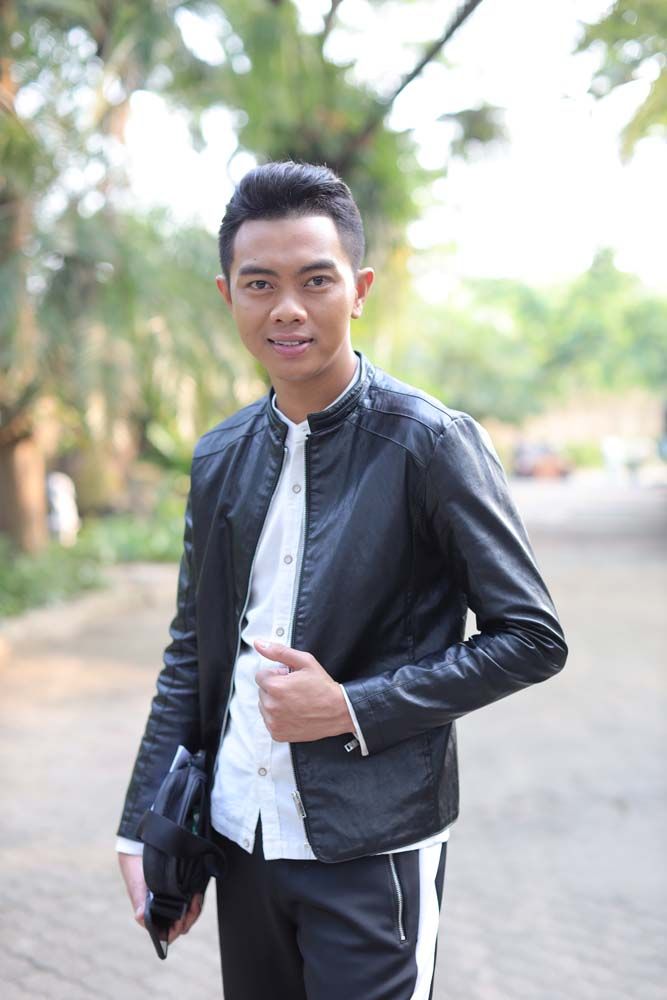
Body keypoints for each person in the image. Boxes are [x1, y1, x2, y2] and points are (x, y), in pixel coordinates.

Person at [117, 161, 568, 999]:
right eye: (260, 283)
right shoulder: (219, 457)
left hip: (372, 845)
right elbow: (192, 650)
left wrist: (353, 707)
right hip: (240, 835)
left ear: (357, 290)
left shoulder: (429, 444)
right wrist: (143, 823)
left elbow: (532, 638)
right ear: (228, 296)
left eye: (314, 280)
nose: (287, 308)